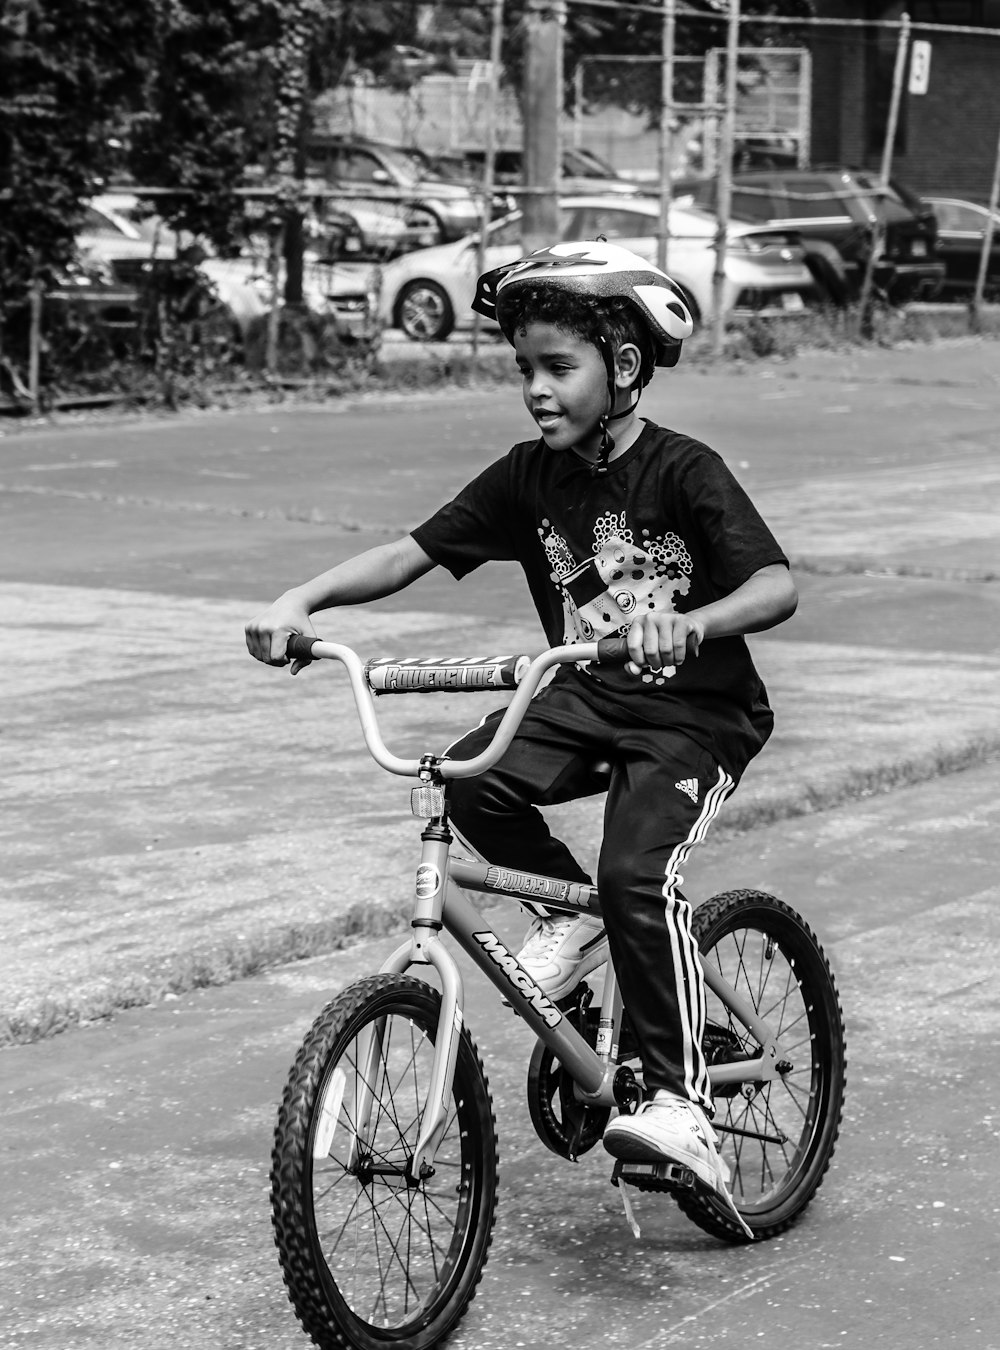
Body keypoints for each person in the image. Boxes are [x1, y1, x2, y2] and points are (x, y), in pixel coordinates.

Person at [245, 240, 797, 1204]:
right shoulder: (527, 478)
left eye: (558, 367)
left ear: (623, 368)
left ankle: (681, 1104)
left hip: (694, 718)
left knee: (635, 873)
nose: (536, 390)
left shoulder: (683, 470)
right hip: (586, 696)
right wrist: (302, 601)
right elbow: (408, 554)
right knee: (468, 775)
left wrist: (693, 622)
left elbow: (776, 583)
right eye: (524, 371)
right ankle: (562, 916)